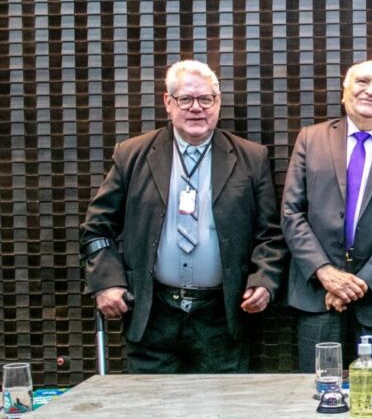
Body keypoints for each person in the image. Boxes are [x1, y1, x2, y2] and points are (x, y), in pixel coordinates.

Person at [80, 60, 287, 373]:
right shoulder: (131, 155)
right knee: (151, 404)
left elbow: (270, 235)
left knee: (223, 404)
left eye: (205, 99)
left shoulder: (251, 158)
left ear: (218, 102)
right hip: (153, 315)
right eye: (186, 99)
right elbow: (97, 229)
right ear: (168, 102)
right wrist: (107, 283)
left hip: (222, 318)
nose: (196, 108)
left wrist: (264, 281)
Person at [282, 60, 372, 372]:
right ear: (345, 91)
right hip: (319, 294)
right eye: (362, 81)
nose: (371, 91)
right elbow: (291, 212)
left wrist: (362, 282)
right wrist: (325, 272)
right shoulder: (310, 139)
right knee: (318, 391)